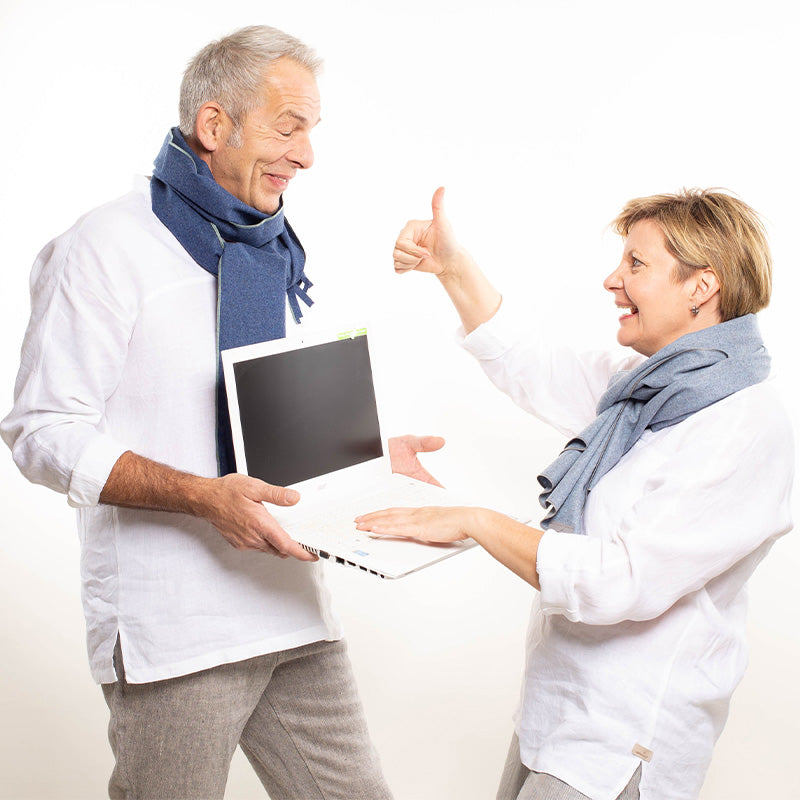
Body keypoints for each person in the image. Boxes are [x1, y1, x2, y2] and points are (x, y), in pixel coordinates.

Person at [0, 25, 442, 800]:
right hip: (177, 633)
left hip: (289, 608)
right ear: (214, 126)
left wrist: (365, 453)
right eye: (288, 127)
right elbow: (42, 433)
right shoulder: (102, 248)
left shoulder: (270, 249)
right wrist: (205, 498)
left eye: (310, 130)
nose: (307, 154)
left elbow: (264, 418)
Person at [356, 187, 794, 800]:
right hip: (559, 716)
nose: (613, 279)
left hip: (623, 740)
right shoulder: (647, 389)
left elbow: (622, 580)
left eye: (636, 264)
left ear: (702, 287)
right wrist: (453, 268)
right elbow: (531, 363)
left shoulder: (742, 426)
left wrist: (476, 522)